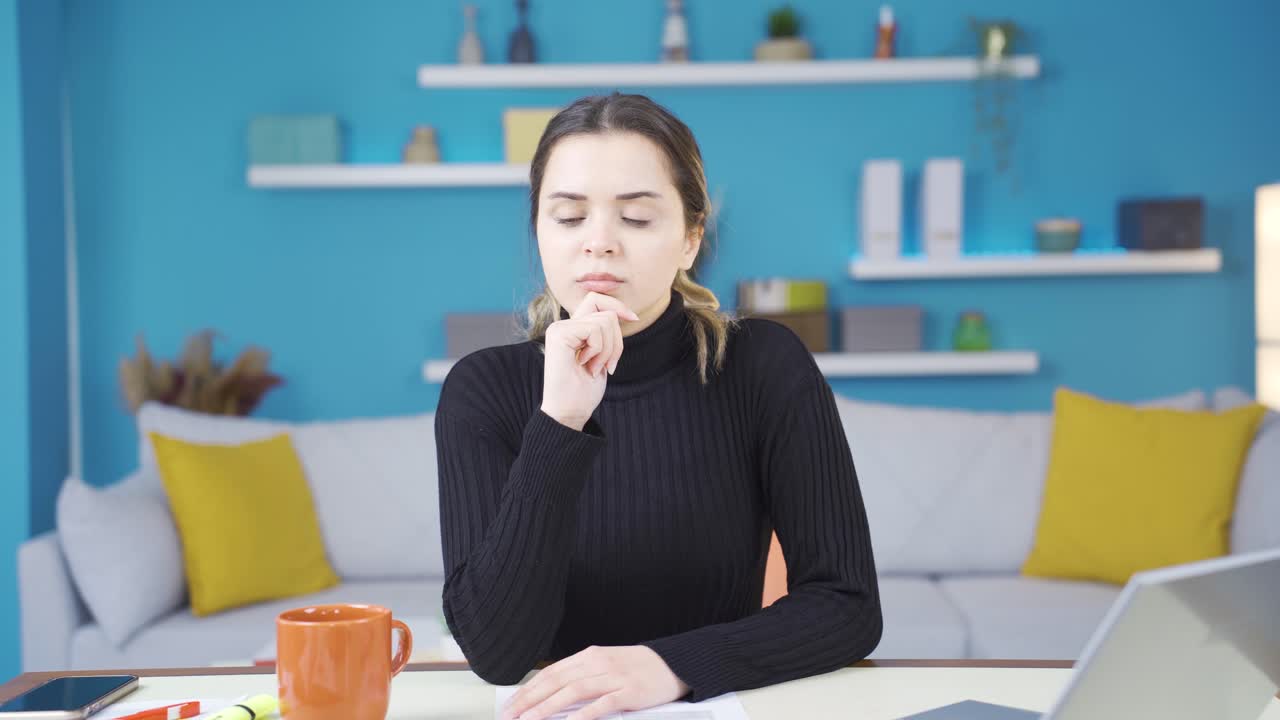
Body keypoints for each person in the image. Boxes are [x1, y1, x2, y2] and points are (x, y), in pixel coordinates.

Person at [435, 92, 881, 720]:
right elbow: (496, 652)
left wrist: (671, 665)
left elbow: (848, 605)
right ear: (539, 231)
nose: (599, 244)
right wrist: (560, 422)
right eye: (568, 218)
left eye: (637, 219)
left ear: (690, 238)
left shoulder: (763, 365)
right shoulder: (483, 390)